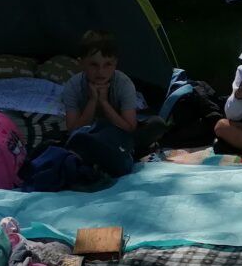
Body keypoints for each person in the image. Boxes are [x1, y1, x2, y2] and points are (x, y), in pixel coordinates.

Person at [61, 30, 165, 178]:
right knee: (58, 142)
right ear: (82, 63)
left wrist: (104, 103)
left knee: (156, 124)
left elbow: (129, 127)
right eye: (94, 65)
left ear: (115, 64)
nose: (100, 71)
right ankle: (122, 155)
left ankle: (119, 153)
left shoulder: (123, 83)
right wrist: (93, 100)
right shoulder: (73, 86)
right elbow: (73, 129)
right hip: (89, 135)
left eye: (107, 64)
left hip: (119, 135)